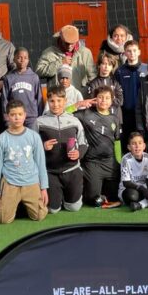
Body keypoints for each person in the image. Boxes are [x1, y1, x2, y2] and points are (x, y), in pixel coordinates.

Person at [0, 99, 49, 223]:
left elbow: (40, 163)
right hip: (10, 182)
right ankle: (14, 204)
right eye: (13, 114)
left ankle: (22, 205)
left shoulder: (34, 136)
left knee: (39, 216)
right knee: (3, 219)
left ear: (25, 115)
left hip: (31, 181)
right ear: (7, 116)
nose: (17, 117)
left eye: (20, 114)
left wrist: (44, 188)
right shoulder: (0, 140)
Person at [36, 86, 88, 214]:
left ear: (65, 101)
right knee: (53, 210)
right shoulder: (39, 122)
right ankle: (57, 197)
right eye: (52, 101)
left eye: (59, 101)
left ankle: (68, 196)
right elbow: (30, 147)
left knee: (74, 208)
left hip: (72, 169)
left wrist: (79, 153)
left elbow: (84, 143)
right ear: (48, 101)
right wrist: (42, 146)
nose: (56, 104)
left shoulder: (74, 121)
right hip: (50, 172)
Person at [77, 87, 122, 208]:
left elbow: (117, 142)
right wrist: (78, 105)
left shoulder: (115, 118)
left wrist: (118, 162)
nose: (104, 100)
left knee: (113, 197)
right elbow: (63, 113)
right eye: (100, 97)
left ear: (112, 100)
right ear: (95, 99)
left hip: (110, 163)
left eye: (107, 98)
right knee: (93, 200)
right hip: (92, 163)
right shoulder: (86, 114)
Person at [36, 24, 96, 90]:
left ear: (77, 41)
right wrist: (60, 63)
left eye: (72, 43)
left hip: (79, 94)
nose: (69, 46)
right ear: (61, 39)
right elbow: (39, 71)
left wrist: (89, 91)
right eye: (66, 43)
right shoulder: (49, 52)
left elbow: (93, 76)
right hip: (58, 94)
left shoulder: (85, 53)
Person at [2, 47, 44, 129]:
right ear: (14, 59)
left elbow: (39, 98)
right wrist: (7, 119)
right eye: (19, 57)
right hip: (15, 117)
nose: (22, 60)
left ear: (28, 60)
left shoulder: (34, 77)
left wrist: (40, 117)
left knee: (31, 137)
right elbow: (5, 101)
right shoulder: (9, 78)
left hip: (31, 117)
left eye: (25, 58)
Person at [116, 39, 147, 137]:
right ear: (125, 53)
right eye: (129, 51)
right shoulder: (120, 71)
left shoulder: (146, 69)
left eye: (134, 50)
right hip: (127, 113)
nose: (132, 53)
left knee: (143, 139)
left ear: (139, 52)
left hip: (144, 112)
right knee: (127, 140)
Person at [119, 132, 148, 211]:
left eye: (140, 143)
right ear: (129, 147)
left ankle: (140, 205)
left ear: (144, 146)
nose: (137, 146)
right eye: (133, 144)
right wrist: (142, 189)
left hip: (145, 189)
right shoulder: (125, 159)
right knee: (131, 196)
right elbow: (126, 183)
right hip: (131, 189)